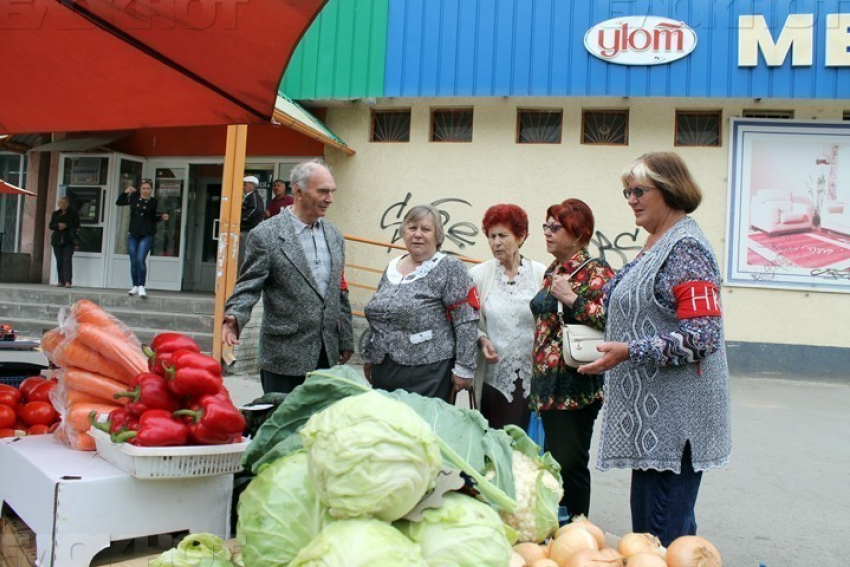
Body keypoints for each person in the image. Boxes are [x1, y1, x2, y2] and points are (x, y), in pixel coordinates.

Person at [578, 152, 732, 546]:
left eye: (639, 190)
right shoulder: (658, 242)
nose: (630, 199)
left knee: (660, 539)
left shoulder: (687, 250)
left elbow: (703, 336)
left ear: (670, 190)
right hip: (654, 424)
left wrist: (630, 351)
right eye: (626, 191)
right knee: (658, 536)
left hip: (674, 425)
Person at [222, 160, 354, 394]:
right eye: (323, 191)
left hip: (327, 356)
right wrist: (234, 317)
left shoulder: (334, 235)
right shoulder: (266, 234)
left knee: (320, 428)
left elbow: (339, 291)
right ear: (299, 191)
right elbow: (249, 284)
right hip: (283, 357)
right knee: (282, 426)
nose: (330, 198)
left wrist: (345, 339)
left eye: (332, 191)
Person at [529, 198, 615, 523]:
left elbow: (610, 319)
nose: (548, 233)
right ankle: (559, 526)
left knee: (571, 463)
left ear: (579, 234)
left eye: (556, 227)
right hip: (547, 383)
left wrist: (570, 298)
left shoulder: (596, 270)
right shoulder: (553, 270)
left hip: (574, 385)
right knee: (554, 462)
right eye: (546, 226)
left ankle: (579, 530)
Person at [362, 205, 479, 402]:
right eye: (412, 228)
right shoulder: (392, 266)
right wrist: (369, 356)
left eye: (425, 229)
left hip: (428, 373)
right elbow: (380, 316)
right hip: (384, 369)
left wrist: (464, 367)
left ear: (437, 236)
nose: (417, 234)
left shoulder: (450, 267)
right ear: (403, 232)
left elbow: (466, 319)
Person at [469, 204, 546, 429]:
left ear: (521, 237)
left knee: (524, 449)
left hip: (532, 378)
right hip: (493, 377)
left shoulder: (540, 274)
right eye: (491, 236)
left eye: (503, 235)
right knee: (494, 443)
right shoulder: (478, 275)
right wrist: (482, 340)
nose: (496, 242)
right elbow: (469, 321)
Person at [116, 179, 168, 298]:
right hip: (133, 234)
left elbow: (153, 217)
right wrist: (126, 192)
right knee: (133, 261)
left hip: (147, 234)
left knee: (140, 259)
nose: (145, 191)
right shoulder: (134, 198)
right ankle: (134, 285)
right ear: (140, 189)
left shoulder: (153, 201)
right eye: (143, 188)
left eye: (148, 188)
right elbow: (119, 202)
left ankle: (141, 286)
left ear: (151, 189)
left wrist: (161, 218)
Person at [49, 196, 80, 288]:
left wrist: (66, 226)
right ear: (58, 204)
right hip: (57, 240)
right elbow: (51, 225)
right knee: (59, 261)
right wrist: (57, 225)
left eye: (64, 203)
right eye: (61, 203)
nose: (63, 205)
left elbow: (77, 225)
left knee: (67, 260)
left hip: (68, 240)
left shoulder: (73, 214)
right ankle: (60, 281)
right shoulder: (55, 214)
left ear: (67, 204)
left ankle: (67, 281)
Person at [239, 175, 265, 267]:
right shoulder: (250, 196)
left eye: (245, 184)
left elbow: (255, 209)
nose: (243, 187)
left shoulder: (253, 196)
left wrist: (242, 219)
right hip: (248, 230)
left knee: (244, 256)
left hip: (248, 229)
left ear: (252, 185)